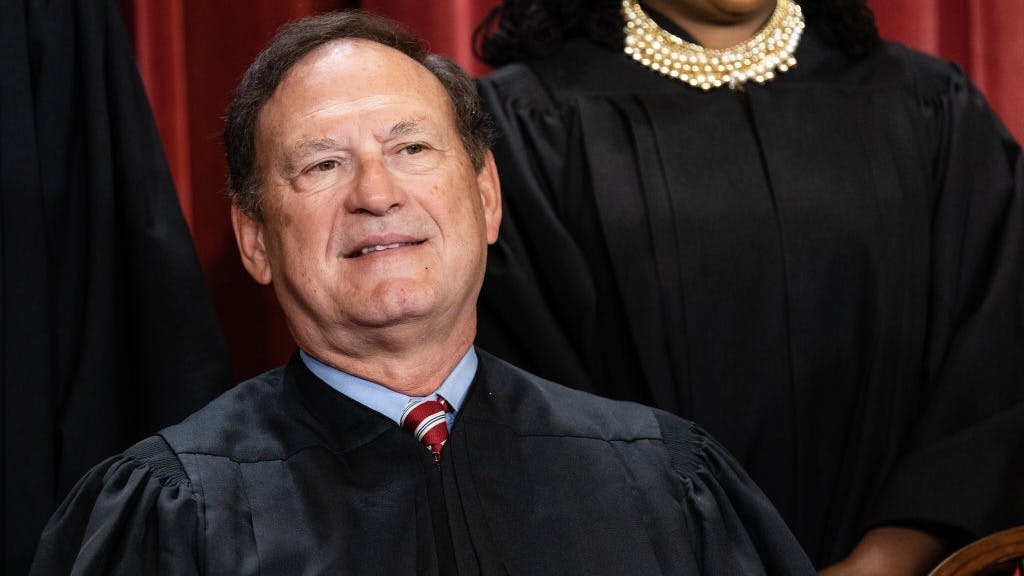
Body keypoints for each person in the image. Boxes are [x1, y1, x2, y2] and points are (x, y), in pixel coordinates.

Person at [28, 10, 815, 575]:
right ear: (255, 239)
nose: (376, 194)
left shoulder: (667, 484)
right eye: (323, 164)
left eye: (411, 148)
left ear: (488, 198)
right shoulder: (172, 514)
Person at [473, 0, 1024, 574]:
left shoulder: (926, 102)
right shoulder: (523, 125)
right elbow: (525, 395)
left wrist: (890, 558)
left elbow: (996, 352)